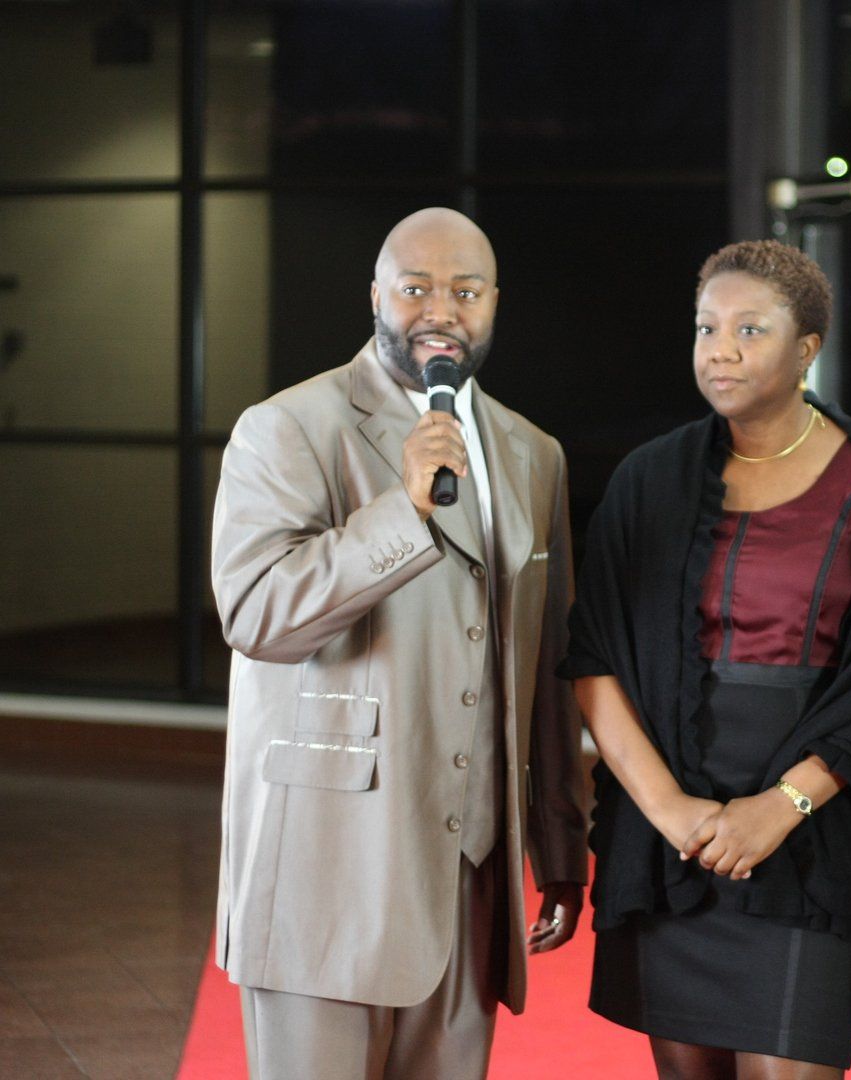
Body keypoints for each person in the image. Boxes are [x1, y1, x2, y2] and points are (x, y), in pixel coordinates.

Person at [211, 207, 588, 1080]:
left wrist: (560, 844)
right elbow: (258, 614)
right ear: (375, 295)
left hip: (472, 879)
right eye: (415, 287)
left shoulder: (535, 454)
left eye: (464, 290)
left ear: (494, 303)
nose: (439, 310)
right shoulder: (290, 427)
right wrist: (401, 511)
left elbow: (544, 664)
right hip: (326, 875)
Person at [561, 239, 851, 1079]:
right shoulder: (648, 479)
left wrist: (784, 805)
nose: (719, 349)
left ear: (808, 349)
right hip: (672, 841)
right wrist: (670, 812)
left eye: (750, 330)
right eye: (706, 328)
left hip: (814, 834)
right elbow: (595, 658)